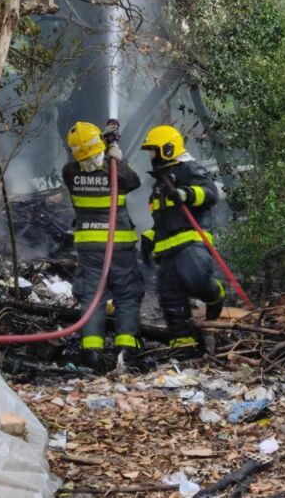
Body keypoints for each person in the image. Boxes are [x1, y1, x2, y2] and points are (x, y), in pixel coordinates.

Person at [63, 120, 144, 373]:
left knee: (92, 298)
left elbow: (87, 164)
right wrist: (116, 157)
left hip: (89, 250)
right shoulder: (114, 171)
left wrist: (107, 149)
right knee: (127, 296)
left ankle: (92, 352)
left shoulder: (70, 172)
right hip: (119, 248)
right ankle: (126, 351)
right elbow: (133, 180)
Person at [140, 125, 225, 354]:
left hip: (190, 243)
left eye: (153, 150)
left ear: (167, 149)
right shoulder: (159, 183)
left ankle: (215, 292)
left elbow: (210, 193)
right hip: (167, 252)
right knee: (170, 298)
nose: (150, 156)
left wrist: (186, 194)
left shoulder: (188, 168)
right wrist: (148, 238)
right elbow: (163, 222)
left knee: (195, 281)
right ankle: (184, 344)